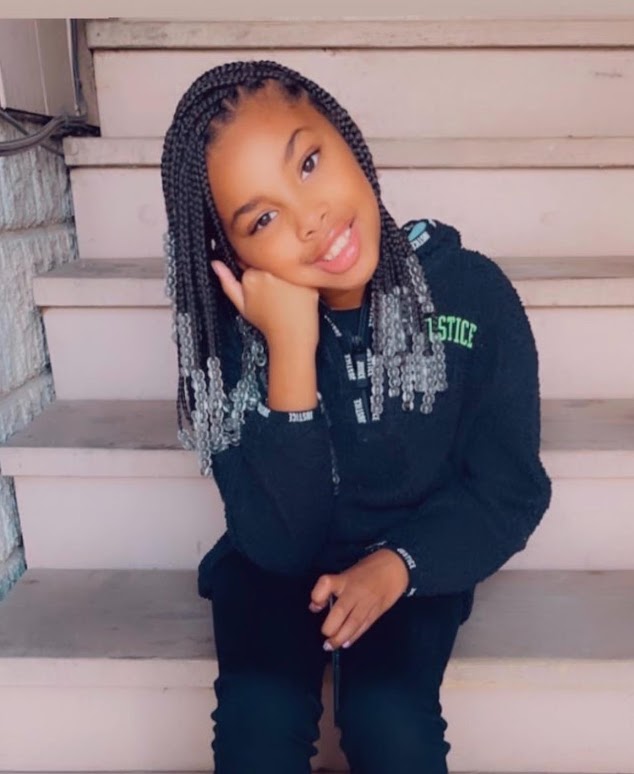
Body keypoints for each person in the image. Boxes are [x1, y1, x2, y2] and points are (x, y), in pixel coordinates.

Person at [160, 59, 552, 774]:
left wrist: (400, 566)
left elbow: (508, 490)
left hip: (413, 551)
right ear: (231, 253)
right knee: (258, 720)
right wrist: (290, 349)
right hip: (272, 559)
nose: (310, 219)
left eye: (309, 162)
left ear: (347, 138)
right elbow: (279, 544)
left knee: (390, 720)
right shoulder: (229, 344)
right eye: (263, 219)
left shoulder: (472, 295)